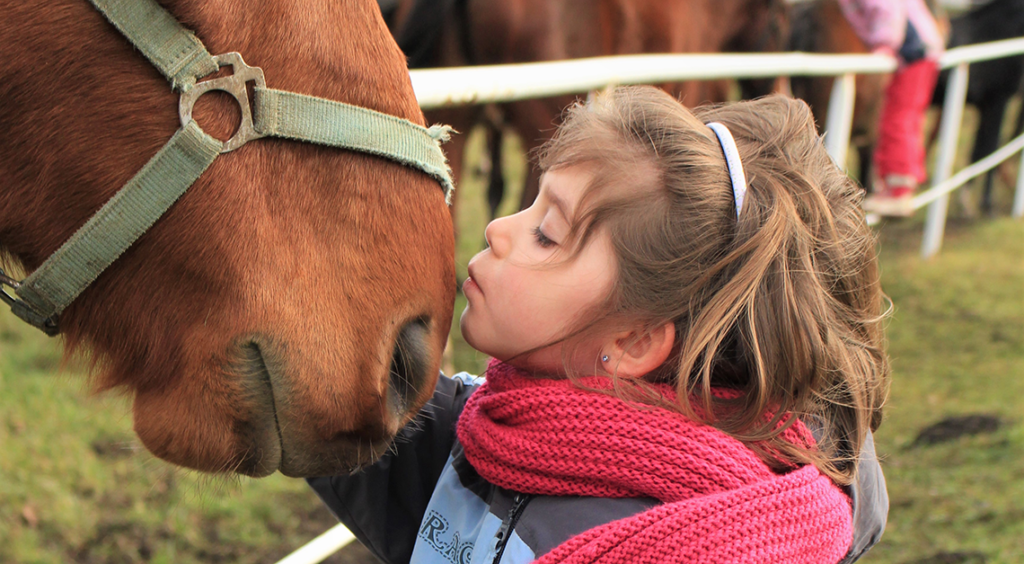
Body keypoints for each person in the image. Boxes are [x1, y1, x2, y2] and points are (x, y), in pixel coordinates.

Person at [309, 88, 891, 564]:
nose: (498, 230)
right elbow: (335, 379)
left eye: (547, 233)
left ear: (633, 341)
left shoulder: (643, 543)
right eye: (532, 203)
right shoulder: (494, 436)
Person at [820, 0, 946, 216]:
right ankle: (904, 181)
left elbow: (889, 13)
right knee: (905, 117)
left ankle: (898, 191)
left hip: (912, 53)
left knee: (897, 118)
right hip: (919, 52)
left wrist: (884, 47)